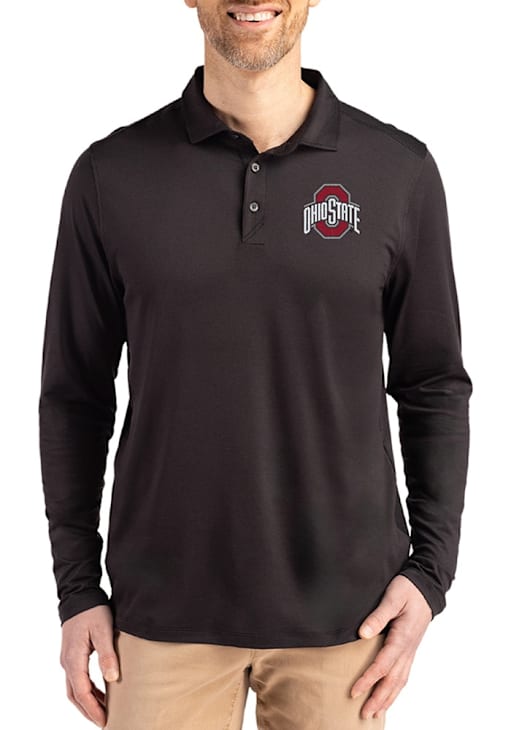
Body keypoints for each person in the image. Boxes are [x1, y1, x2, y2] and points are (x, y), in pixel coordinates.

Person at [38, 1, 473, 728]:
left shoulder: (398, 171)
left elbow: (433, 385)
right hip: (159, 618)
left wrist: (430, 574)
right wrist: (77, 588)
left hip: (347, 622)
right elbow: (73, 396)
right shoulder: (110, 175)